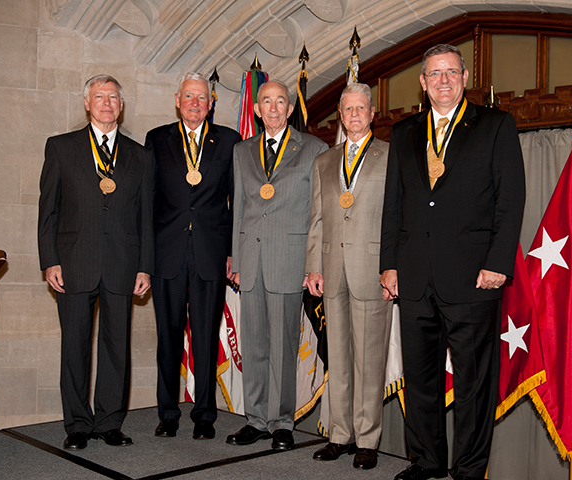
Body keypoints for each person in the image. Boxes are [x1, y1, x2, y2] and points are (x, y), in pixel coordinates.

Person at [380, 44, 525, 480]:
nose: (443, 80)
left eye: (451, 72)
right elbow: (394, 205)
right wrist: (389, 264)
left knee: (473, 385)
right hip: (415, 277)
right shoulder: (404, 132)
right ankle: (425, 460)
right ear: (422, 83)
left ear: (464, 78)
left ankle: (469, 469)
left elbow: (510, 199)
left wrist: (499, 261)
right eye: (434, 74)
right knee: (421, 379)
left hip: (474, 277)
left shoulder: (495, 126)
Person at [38, 74, 154, 450]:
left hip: (123, 262)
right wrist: (49, 260)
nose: (107, 102)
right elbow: (48, 211)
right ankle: (77, 424)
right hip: (73, 262)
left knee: (116, 345)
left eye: (113, 97)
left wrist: (145, 266)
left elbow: (146, 216)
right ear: (87, 104)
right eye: (99, 96)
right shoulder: (61, 147)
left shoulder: (140, 155)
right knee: (74, 345)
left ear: (121, 106)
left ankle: (109, 422)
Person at [227, 80, 328, 451]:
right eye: (266, 101)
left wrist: (313, 263)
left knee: (283, 347)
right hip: (250, 263)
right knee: (254, 345)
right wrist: (236, 259)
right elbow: (238, 207)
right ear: (256, 109)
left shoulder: (314, 148)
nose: (273, 107)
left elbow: (319, 213)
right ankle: (255, 420)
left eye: (280, 101)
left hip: (290, 261)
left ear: (289, 109)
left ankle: (283, 421)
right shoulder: (242, 151)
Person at [145, 73, 241, 440]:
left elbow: (238, 202)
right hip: (166, 253)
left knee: (204, 337)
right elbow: (147, 201)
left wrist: (232, 251)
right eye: (189, 96)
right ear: (177, 99)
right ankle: (168, 413)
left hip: (211, 254)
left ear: (211, 103)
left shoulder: (229, 141)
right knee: (167, 337)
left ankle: (204, 415)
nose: (195, 103)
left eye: (202, 97)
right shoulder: (157, 139)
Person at [305, 83, 392, 470]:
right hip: (331, 271)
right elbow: (317, 219)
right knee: (337, 359)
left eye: (361, 108)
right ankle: (339, 434)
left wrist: (393, 267)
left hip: (371, 272)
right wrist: (313, 266)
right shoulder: (324, 161)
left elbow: (396, 220)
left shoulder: (391, 156)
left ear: (373, 113)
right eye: (347, 109)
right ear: (339, 115)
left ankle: (368, 439)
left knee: (369, 361)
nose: (354, 115)